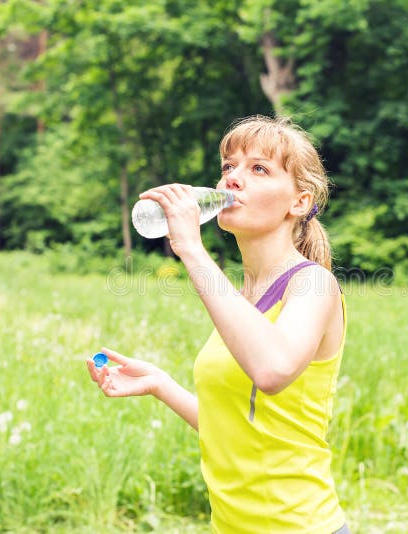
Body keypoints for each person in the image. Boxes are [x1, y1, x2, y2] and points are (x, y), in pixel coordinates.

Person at [87, 115, 349, 534]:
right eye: (229, 166)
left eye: (258, 168)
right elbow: (232, 427)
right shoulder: (242, 298)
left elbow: (272, 370)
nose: (232, 179)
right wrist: (160, 384)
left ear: (299, 202)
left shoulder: (313, 283)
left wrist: (190, 248)